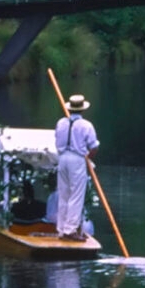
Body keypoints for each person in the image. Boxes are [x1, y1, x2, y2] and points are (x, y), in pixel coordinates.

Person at [54, 94, 99, 241]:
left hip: (62, 158)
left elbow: (57, 141)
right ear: (82, 110)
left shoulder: (61, 123)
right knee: (76, 195)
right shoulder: (86, 125)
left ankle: (61, 229)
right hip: (77, 159)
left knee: (64, 194)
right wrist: (88, 158)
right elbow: (94, 147)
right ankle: (70, 230)